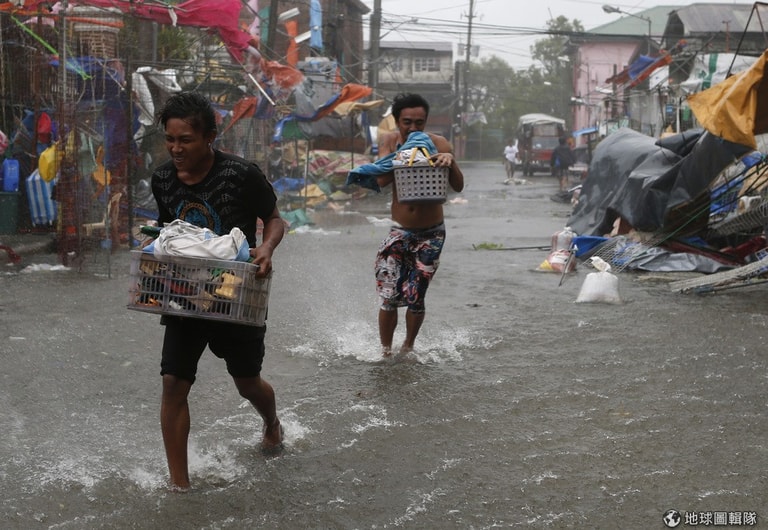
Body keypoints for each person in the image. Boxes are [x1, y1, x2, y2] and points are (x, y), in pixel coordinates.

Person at [150, 91, 285, 490]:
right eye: (170, 139)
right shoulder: (162, 179)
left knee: (247, 382)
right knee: (174, 383)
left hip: (236, 293)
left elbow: (274, 218)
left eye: (185, 140)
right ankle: (180, 485)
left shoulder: (242, 175)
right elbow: (166, 230)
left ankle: (271, 422)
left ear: (209, 137)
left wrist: (266, 248)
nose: (176, 149)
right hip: (185, 294)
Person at [375, 93, 464, 356]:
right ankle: (385, 351)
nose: (413, 128)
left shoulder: (439, 143)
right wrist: (401, 156)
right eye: (407, 122)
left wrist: (449, 161)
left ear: (426, 121)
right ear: (397, 121)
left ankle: (408, 348)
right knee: (389, 295)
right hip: (399, 230)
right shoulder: (389, 142)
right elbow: (380, 181)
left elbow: (458, 186)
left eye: (419, 122)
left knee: (416, 295)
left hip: (432, 233)